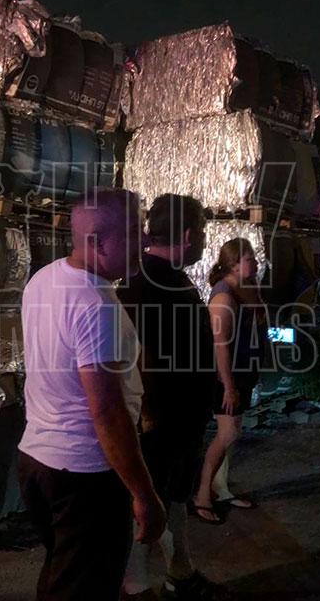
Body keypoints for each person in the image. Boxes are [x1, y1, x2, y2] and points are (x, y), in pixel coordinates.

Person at [18, 188, 166, 601]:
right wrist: (144, 494)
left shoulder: (44, 278)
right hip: (84, 476)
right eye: (134, 232)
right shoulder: (95, 304)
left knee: (62, 576)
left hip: (37, 461)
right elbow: (106, 412)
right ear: (98, 243)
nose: (145, 241)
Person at [117, 194, 232, 601]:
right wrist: (148, 416)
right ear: (187, 235)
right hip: (160, 423)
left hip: (182, 419)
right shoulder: (145, 281)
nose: (204, 240)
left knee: (175, 496)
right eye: (202, 232)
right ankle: (136, 588)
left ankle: (180, 573)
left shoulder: (172, 278)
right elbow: (136, 356)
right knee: (149, 505)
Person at [192, 238, 268, 524]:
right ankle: (202, 495)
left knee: (232, 433)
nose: (255, 263)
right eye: (249, 259)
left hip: (243, 374)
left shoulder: (247, 288)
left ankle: (220, 489)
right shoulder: (223, 296)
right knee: (228, 434)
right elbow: (220, 345)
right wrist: (228, 386)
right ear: (233, 264)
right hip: (227, 377)